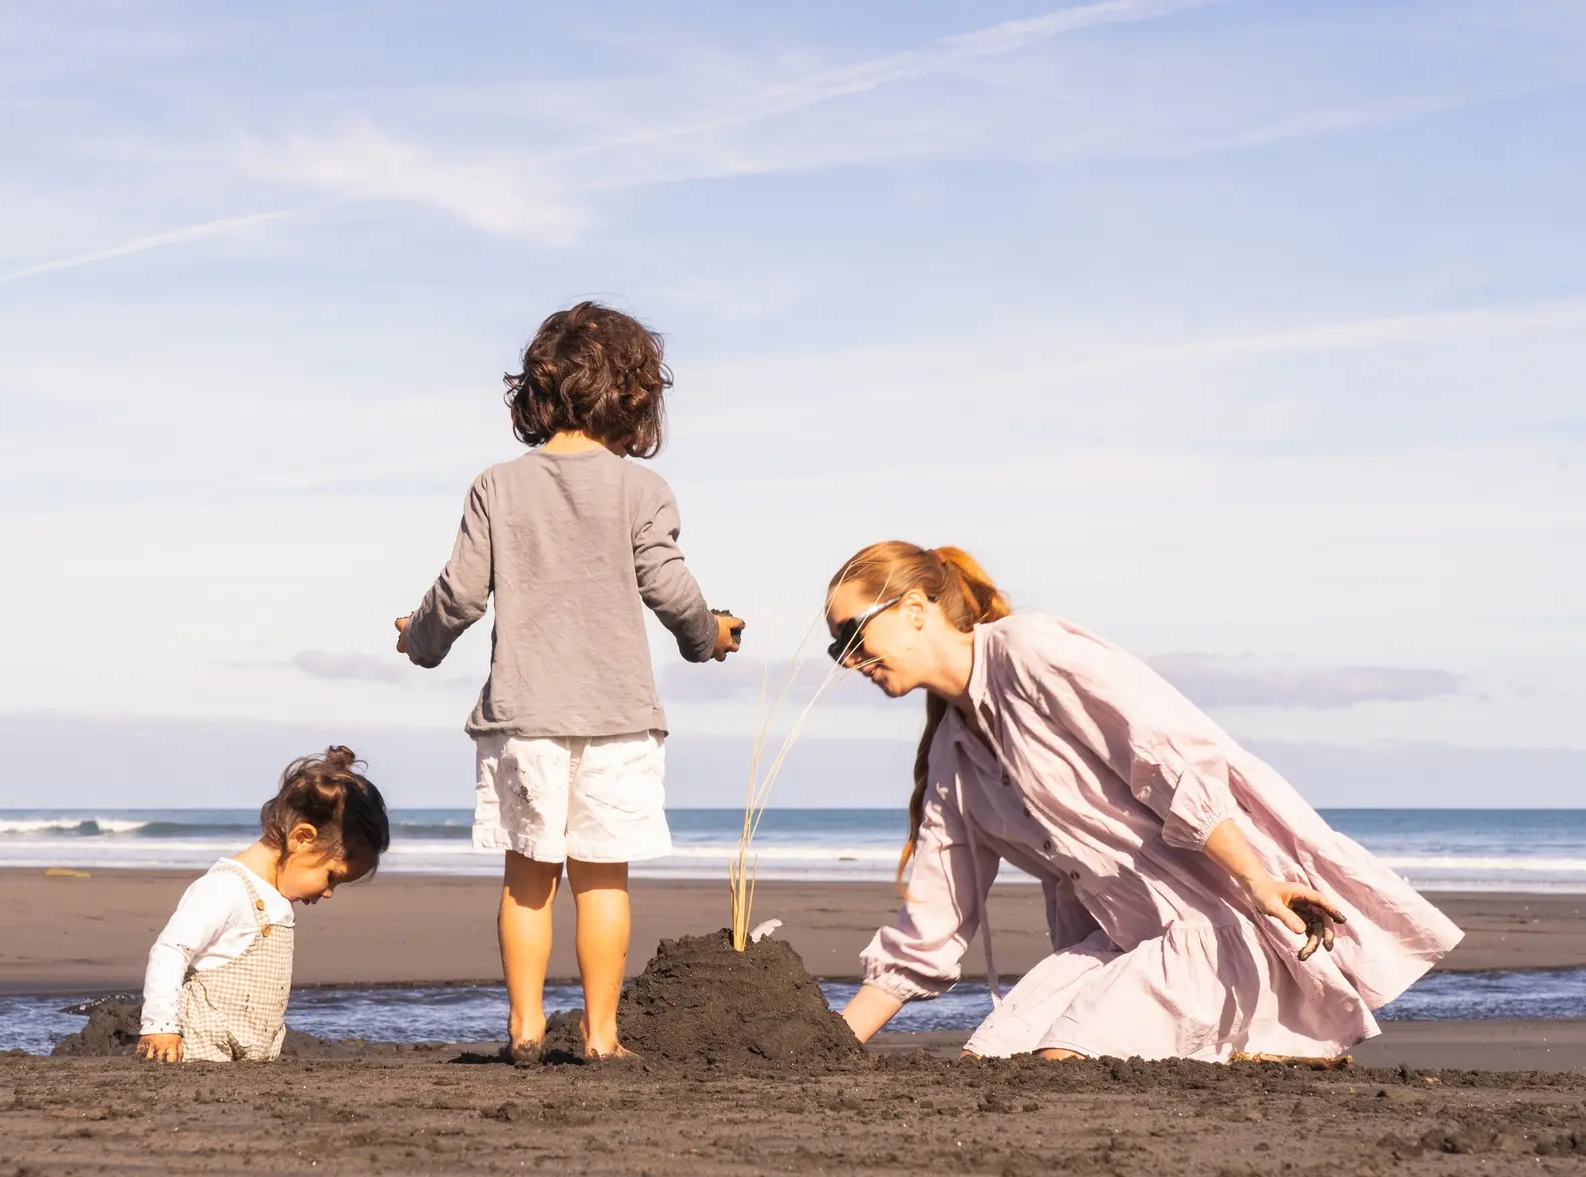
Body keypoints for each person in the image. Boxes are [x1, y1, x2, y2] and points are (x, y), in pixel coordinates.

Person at [825, 541, 1462, 1062]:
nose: (848, 661)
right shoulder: (953, 759)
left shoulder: (1031, 651)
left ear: (913, 609)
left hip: (1215, 927)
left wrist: (1261, 882)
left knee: (1062, 1063)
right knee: (988, 1062)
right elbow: (931, 927)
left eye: (853, 635)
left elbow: (1167, 760)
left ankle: (1273, 1038)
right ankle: (1253, 1052)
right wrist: (829, 1047)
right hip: (1117, 948)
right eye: (836, 647)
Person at [395, 302, 743, 1064]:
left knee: (528, 878)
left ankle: (523, 1030)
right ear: (635, 396)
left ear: (537, 393)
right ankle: (601, 1035)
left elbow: (458, 595)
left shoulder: (497, 486)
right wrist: (706, 637)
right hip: (617, 717)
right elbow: (671, 588)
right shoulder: (642, 490)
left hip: (524, 716)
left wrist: (417, 641)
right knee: (602, 881)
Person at [136, 748, 390, 1063]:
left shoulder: (276, 899)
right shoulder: (225, 888)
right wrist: (160, 1026)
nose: (328, 893)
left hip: (251, 1057)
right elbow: (170, 950)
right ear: (302, 838)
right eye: (331, 877)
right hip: (200, 1052)